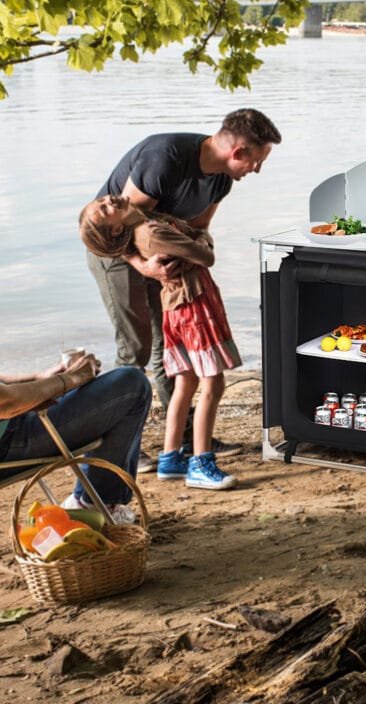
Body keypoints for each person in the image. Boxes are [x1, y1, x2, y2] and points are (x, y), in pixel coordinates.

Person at [86, 109, 281, 472]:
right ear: (238, 152)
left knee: (172, 348)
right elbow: (129, 225)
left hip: (166, 257)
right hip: (118, 254)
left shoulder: (222, 179)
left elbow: (201, 228)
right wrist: (145, 266)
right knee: (136, 348)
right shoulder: (166, 159)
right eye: (257, 161)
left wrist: (193, 248)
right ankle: (115, 446)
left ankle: (185, 442)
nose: (257, 170)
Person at [80, 196, 240, 490]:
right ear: (116, 230)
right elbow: (206, 255)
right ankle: (201, 462)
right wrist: (201, 236)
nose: (107, 199)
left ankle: (170, 457)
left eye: (101, 200)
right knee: (212, 384)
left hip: (176, 309)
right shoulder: (153, 233)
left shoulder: (147, 226)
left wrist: (194, 237)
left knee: (186, 382)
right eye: (104, 209)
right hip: (195, 307)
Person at [0, 354, 151, 524]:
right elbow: (7, 402)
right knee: (132, 385)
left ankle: (90, 500)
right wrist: (69, 379)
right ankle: (94, 504)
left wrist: (37, 379)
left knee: (99, 386)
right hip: (10, 439)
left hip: (11, 423)